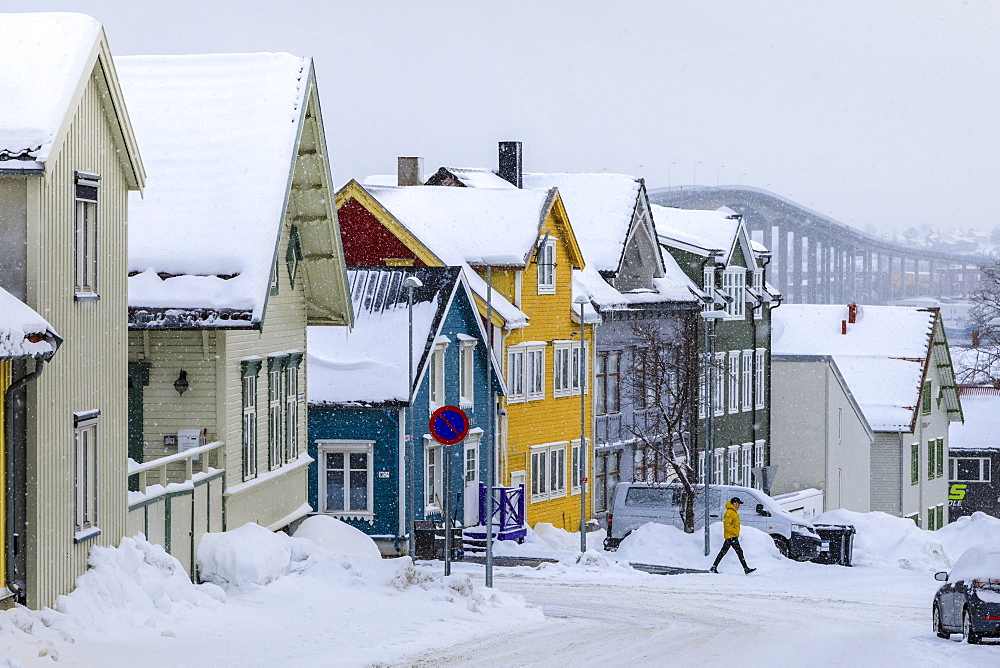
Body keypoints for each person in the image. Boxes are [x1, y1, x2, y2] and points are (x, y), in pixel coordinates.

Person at [709, 496, 756, 574]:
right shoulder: (730, 512)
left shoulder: (733, 512)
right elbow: (727, 525)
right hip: (731, 536)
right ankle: (746, 569)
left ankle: (714, 567)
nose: (739, 505)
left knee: (724, 552)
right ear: (734, 503)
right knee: (738, 552)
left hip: (731, 536)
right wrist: (735, 532)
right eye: (738, 503)